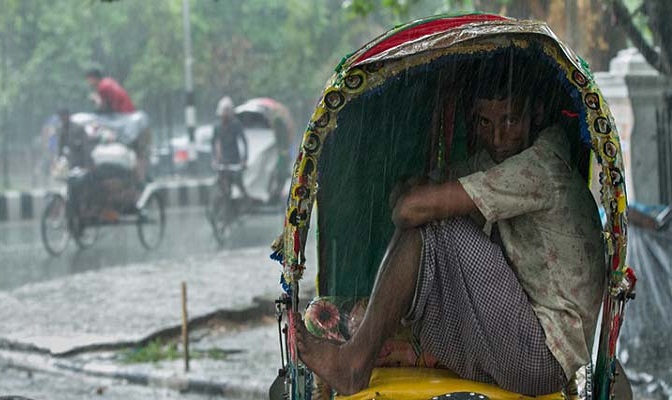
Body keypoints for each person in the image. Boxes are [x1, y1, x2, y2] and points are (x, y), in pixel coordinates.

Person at [294, 57, 606, 396]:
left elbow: (411, 208)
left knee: (435, 223)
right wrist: (417, 197)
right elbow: (410, 191)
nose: (498, 136)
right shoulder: (498, 161)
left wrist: (419, 200)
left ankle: (355, 364)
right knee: (430, 216)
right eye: (485, 123)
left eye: (511, 120)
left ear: (537, 114)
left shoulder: (540, 167)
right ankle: (359, 356)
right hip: (518, 341)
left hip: (542, 357)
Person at [212, 96, 250, 199]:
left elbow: (244, 141)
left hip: (235, 160)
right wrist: (215, 159)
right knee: (221, 183)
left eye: (228, 111)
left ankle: (245, 199)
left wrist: (244, 159)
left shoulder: (236, 124)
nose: (225, 113)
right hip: (223, 161)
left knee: (238, 183)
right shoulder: (217, 126)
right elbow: (214, 143)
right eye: (224, 110)